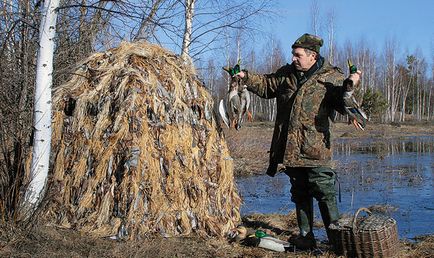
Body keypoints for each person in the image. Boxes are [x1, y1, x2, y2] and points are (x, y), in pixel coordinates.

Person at [235, 33, 362, 250]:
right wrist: (245, 76)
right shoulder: (287, 74)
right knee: (300, 192)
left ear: (312, 56)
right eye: (293, 54)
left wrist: (351, 85)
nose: (293, 58)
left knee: (325, 193)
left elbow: (343, 101)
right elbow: (266, 85)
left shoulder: (330, 77)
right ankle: (306, 236)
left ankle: (337, 241)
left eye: (298, 55)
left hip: (316, 149)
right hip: (291, 148)